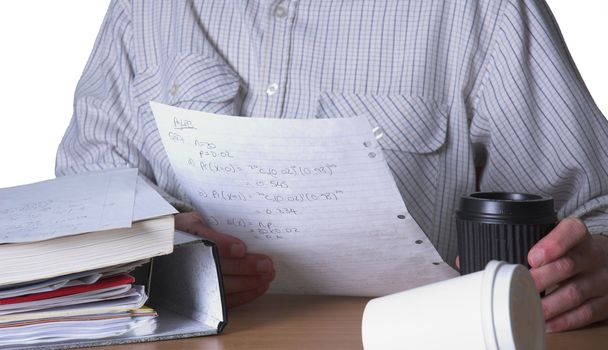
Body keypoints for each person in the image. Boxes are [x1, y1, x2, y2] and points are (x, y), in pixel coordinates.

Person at [55, 0, 608, 332]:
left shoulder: (475, 10)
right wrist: (166, 247)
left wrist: (594, 262)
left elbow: (595, 210)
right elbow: (83, 193)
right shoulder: (148, 8)